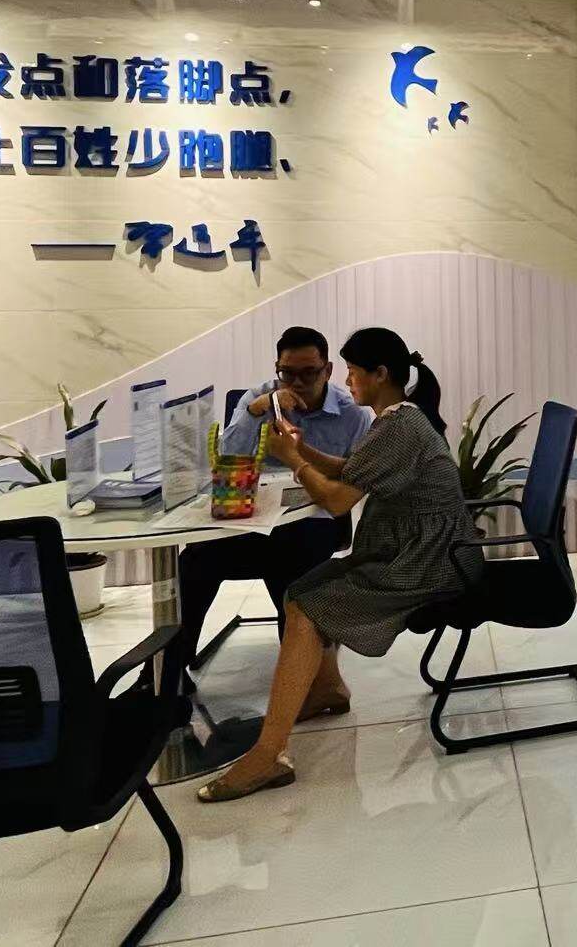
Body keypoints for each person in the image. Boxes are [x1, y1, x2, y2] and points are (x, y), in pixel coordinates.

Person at [197, 327, 481, 802]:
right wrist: (300, 448)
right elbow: (350, 469)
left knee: (307, 609)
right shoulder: (396, 420)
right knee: (299, 591)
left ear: (380, 374)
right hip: (414, 551)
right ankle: (327, 690)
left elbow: (336, 500)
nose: (346, 382)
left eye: (351, 372)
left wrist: (293, 459)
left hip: (429, 563)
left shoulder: (399, 427)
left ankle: (268, 754)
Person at [171, 326, 374, 678]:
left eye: (309, 373)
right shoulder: (259, 399)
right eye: (287, 373)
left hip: (313, 519)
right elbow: (227, 460)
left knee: (293, 565)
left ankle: (299, 676)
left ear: (327, 371)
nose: (297, 383)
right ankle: (167, 675)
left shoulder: (352, 414)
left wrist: (300, 459)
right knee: (194, 562)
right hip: (253, 517)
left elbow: (351, 482)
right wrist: (255, 411)